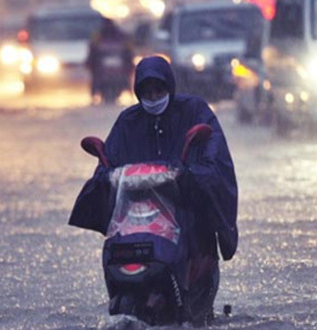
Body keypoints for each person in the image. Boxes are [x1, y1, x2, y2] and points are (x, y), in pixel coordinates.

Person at [69, 56, 238, 323]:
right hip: (137, 214)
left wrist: (190, 175)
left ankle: (194, 294)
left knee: (197, 232)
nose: (154, 97)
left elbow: (214, 155)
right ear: (138, 93)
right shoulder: (128, 121)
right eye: (147, 92)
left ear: (169, 87)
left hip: (183, 205)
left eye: (159, 91)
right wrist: (105, 177)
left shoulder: (193, 110)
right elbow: (110, 160)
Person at [86, 18, 134, 103]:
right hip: (101, 64)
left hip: (119, 64)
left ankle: (129, 91)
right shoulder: (98, 35)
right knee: (95, 76)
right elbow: (92, 49)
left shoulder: (122, 36)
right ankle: (94, 94)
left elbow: (129, 51)